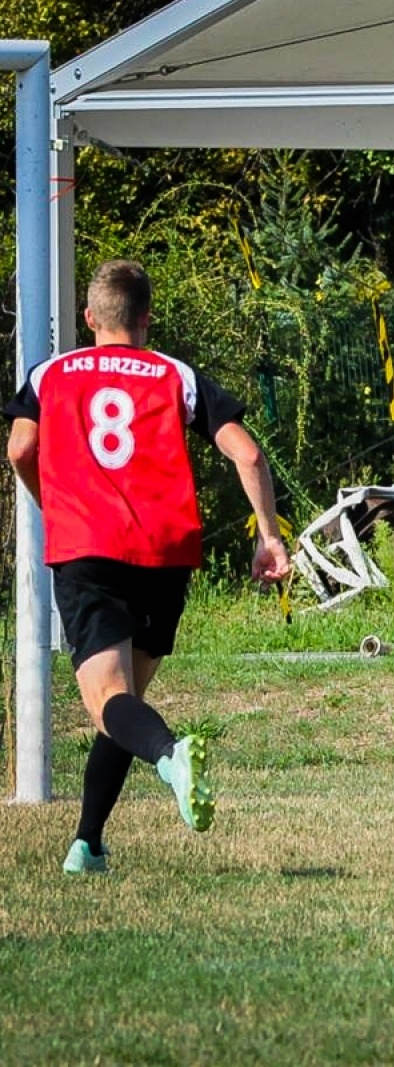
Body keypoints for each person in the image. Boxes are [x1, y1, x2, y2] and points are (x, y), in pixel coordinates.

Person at [4, 259, 292, 874]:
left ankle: (170, 753)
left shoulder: (51, 372)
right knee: (124, 700)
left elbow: (21, 447)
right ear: (146, 318)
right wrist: (268, 537)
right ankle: (87, 844)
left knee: (111, 701)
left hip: (88, 548)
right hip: (165, 553)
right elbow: (247, 452)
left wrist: (52, 500)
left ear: (89, 318)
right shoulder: (175, 373)